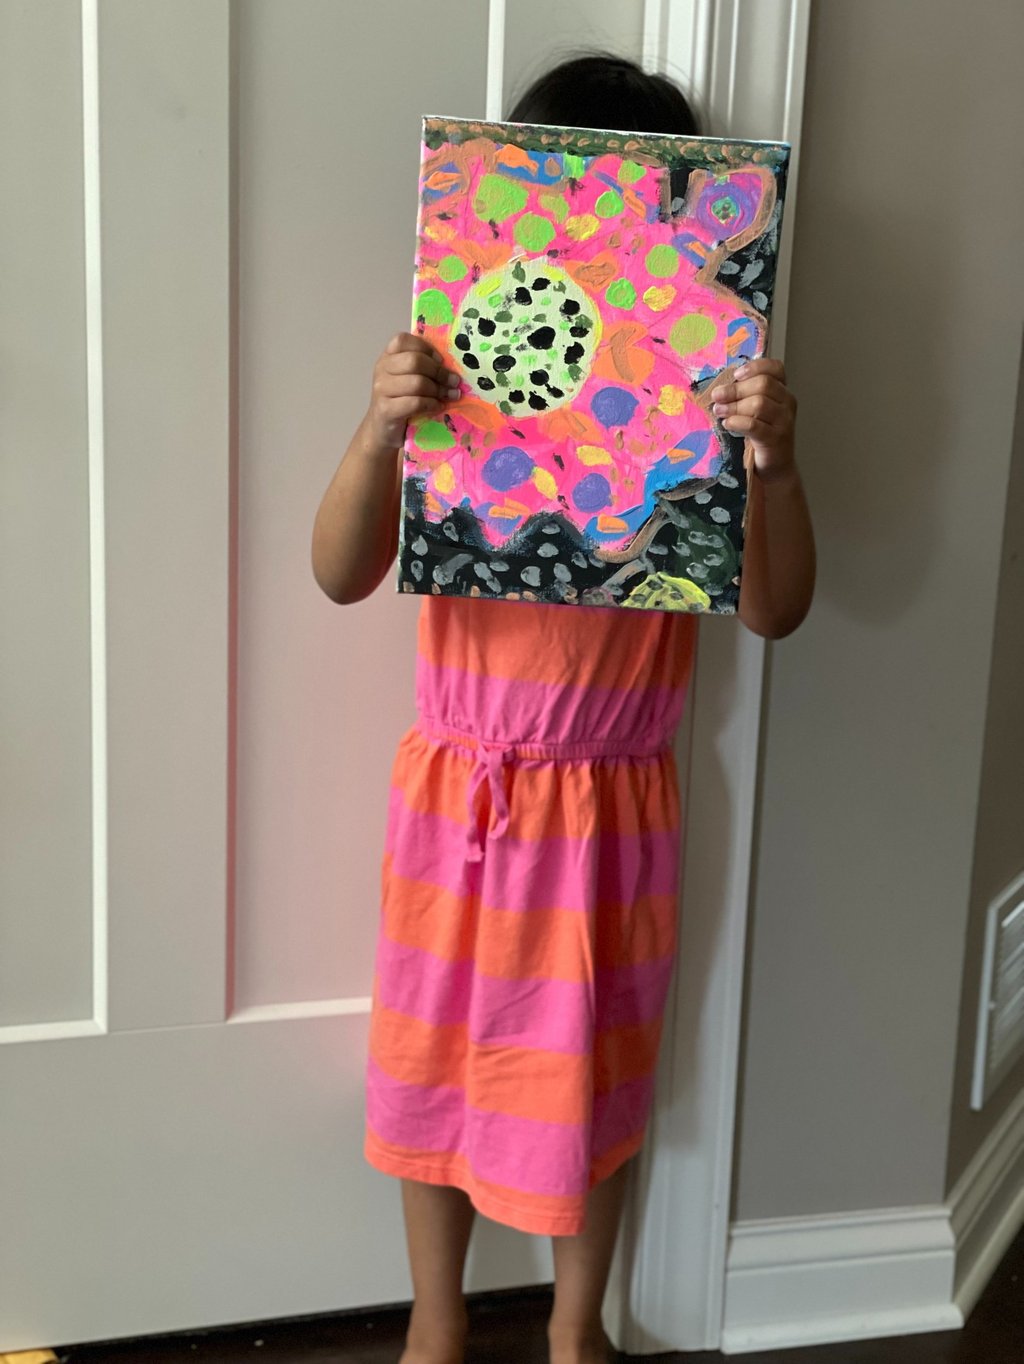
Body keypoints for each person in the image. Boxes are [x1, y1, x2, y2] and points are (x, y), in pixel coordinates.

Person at [311, 52, 815, 1364]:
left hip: (611, 808)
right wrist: (381, 430)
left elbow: (777, 608)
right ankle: (439, 1316)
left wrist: (770, 460)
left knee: (593, 1079)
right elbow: (337, 570)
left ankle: (577, 1325)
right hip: (461, 797)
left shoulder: (704, 409)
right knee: (433, 1062)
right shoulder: (449, 381)